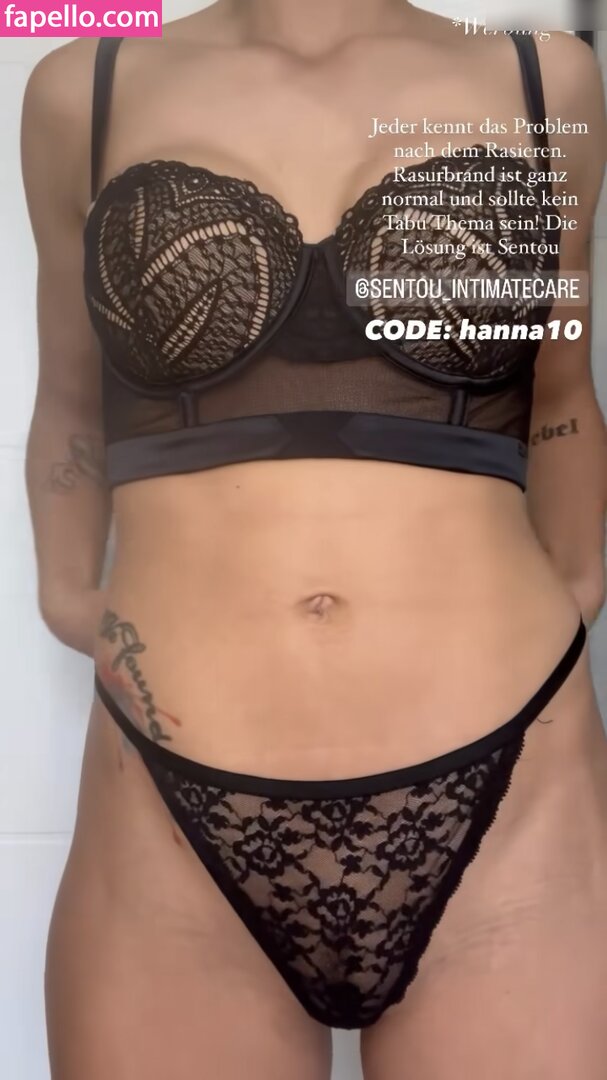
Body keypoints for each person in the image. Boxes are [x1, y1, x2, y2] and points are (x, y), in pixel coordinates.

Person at [21, 2, 607, 1078]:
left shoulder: (545, 78)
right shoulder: (83, 85)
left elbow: (560, 392)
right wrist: (69, 597)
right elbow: (68, 399)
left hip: (514, 773)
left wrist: (571, 595)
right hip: (168, 790)